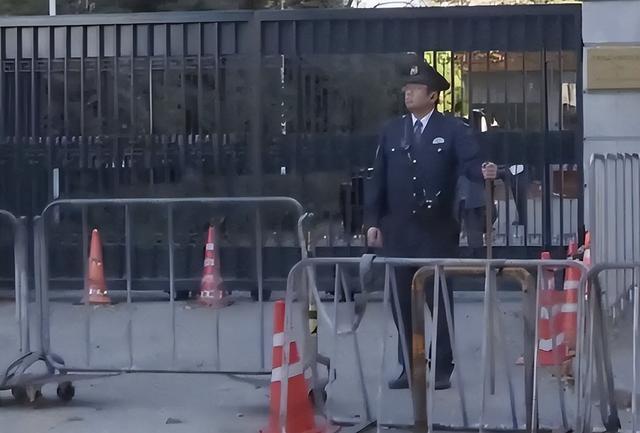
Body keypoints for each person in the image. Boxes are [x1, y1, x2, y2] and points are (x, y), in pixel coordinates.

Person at [364, 57, 497, 390]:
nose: (408, 93)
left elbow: (470, 163)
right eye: (406, 88)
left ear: (433, 95)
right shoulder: (392, 130)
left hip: (436, 230)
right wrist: (372, 221)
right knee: (402, 303)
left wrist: (485, 171)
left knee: (439, 301)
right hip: (398, 230)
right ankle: (410, 366)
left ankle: (441, 366)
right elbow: (378, 178)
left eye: (415, 88)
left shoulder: (452, 129)